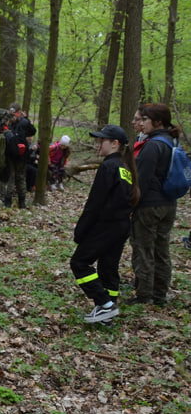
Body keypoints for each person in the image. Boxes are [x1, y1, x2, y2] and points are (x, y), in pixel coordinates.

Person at [70, 125, 138, 324]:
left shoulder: (109, 167)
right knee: (108, 267)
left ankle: (105, 305)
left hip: (107, 225)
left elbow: (95, 203)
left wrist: (81, 231)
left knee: (79, 263)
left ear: (115, 144)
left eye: (102, 141)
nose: (97, 144)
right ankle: (107, 313)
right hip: (121, 225)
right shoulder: (124, 167)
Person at [129, 103, 180, 306]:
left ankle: (144, 295)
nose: (141, 123)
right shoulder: (171, 141)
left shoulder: (152, 145)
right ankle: (160, 294)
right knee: (161, 249)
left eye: (144, 120)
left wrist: (130, 206)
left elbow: (141, 180)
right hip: (169, 203)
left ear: (157, 122)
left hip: (149, 205)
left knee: (144, 249)